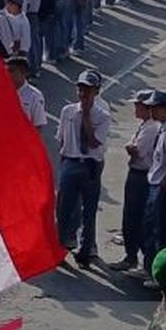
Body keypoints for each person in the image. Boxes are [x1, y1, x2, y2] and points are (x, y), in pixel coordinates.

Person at [56, 69, 111, 268]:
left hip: (90, 165)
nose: (83, 94)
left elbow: (94, 143)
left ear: (96, 91)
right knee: (64, 208)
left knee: (89, 210)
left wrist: (86, 116)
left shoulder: (102, 115)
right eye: (80, 89)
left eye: (88, 90)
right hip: (71, 162)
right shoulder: (68, 111)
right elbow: (61, 138)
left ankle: (86, 251)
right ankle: (59, 248)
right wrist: (64, 161)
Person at [109, 90, 159, 272]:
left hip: (142, 176)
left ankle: (139, 259)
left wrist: (131, 148)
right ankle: (131, 256)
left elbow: (136, 150)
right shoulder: (144, 125)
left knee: (137, 217)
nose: (135, 108)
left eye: (138, 105)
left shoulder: (152, 128)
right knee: (130, 216)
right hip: (136, 173)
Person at [141, 90, 166, 282]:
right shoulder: (162, 129)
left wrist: (163, 187)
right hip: (153, 183)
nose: (151, 111)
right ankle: (149, 268)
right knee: (150, 228)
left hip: (161, 188)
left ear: (165, 109)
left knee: (160, 231)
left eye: (155, 108)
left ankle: (159, 274)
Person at [6, 55, 46, 128]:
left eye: (11, 71)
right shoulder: (1, 92)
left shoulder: (35, 96)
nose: (7, 74)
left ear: (23, 72)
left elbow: (38, 125)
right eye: (6, 70)